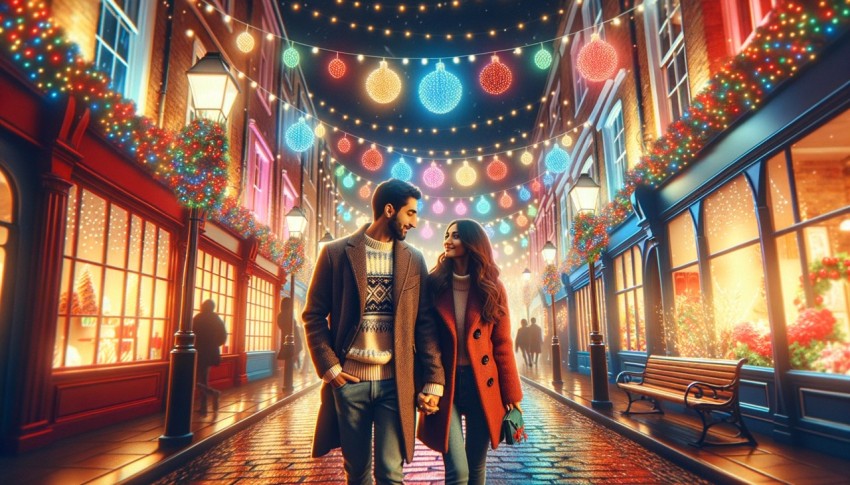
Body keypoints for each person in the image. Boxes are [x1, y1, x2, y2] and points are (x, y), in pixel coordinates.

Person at [303, 178, 445, 485]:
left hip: (396, 383)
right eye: (410, 213)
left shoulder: (414, 259)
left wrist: (434, 379)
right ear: (389, 210)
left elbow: (425, 323)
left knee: (391, 472)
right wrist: (330, 368)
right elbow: (313, 315)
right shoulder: (336, 253)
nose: (415, 222)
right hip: (349, 383)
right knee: (357, 473)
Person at [418, 219, 523, 485]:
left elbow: (502, 343)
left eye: (455, 236)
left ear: (472, 242)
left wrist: (511, 394)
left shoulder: (492, 287)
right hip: (446, 384)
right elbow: (426, 335)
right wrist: (429, 382)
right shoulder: (434, 284)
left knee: (476, 466)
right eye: (446, 235)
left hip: (482, 385)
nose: (447, 240)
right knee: (458, 470)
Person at [193, 299, 227, 415]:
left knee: (198, 379)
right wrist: (214, 344)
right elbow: (223, 336)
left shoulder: (198, 318)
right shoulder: (216, 319)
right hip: (211, 352)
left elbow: (192, 333)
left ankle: (209, 399)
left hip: (198, 351)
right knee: (203, 378)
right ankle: (205, 404)